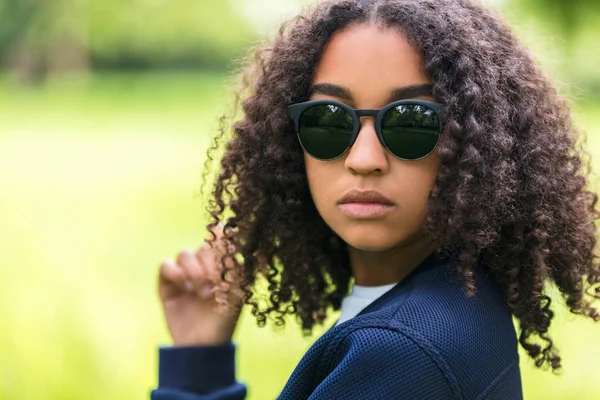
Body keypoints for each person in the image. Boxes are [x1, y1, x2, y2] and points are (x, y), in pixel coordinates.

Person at [150, 0, 600, 399]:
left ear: (479, 145)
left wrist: (191, 380)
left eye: (411, 122)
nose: (364, 159)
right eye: (328, 119)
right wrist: (199, 360)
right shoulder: (459, 302)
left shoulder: (400, 351)